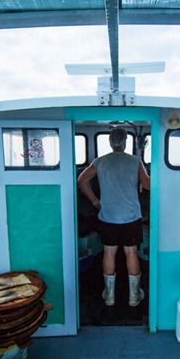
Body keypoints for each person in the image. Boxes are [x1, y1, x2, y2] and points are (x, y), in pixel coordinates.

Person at [77, 127, 151, 307]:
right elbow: (148, 185)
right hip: (130, 216)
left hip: (108, 215)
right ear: (125, 142)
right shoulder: (136, 161)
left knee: (109, 252)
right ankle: (134, 297)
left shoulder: (99, 162)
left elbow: (81, 180)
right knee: (131, 252)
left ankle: (109, 296)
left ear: (110, 142)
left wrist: (95, 201)